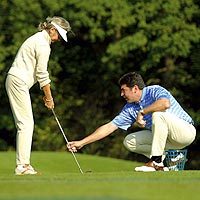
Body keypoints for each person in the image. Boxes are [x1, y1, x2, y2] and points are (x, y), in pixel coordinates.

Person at [67, 72, 196, 172]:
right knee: (129, 141)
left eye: (124, 90)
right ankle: (169, 157)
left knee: (158, 115)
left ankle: (155, 162)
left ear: (135, 88)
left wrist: (143, 112)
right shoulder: (130, 108)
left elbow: (165, 104)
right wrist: (81, 142)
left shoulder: (155, 90)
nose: (121, 94)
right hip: (168, 141)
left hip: (185, 132)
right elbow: (110, 127)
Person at [5, 16, 71, 175]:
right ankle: (23, 166)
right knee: (26, 123)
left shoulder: (39, 39)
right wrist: (49, 97)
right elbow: (42, 74)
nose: (59, 40)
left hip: (18, 81)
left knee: (26, 123)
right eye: (59, 35)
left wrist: (46, 94)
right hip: (17, 81)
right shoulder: (42, 44)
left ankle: (23, 165)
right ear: (52, 29)